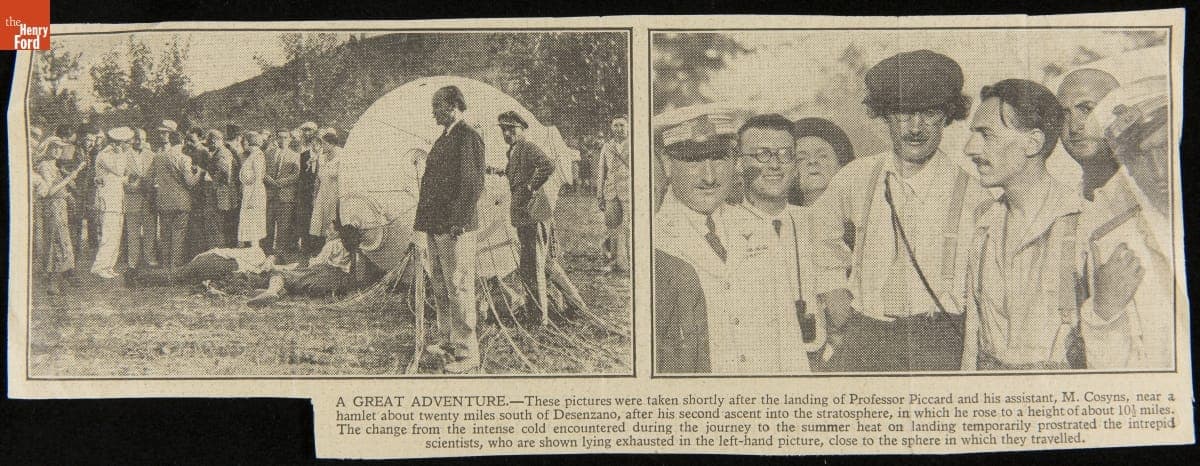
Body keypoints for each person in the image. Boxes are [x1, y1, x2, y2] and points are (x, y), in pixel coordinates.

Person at [809, 50, 992, 372]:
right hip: (866, 333)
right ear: (885, 115)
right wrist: (833, 289)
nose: (916, 128)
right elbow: (818, 231)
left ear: (947, 116)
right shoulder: (857, 176)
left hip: (938, 340)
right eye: (903, 113)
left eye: (930, 113)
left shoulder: (974, 195)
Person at [959, 79, 1083, 370]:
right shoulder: (983, 225)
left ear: (1033, 143)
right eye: (973, 134)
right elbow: (971, 346)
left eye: (986, 135)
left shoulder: (1081, 222)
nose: (969, 148)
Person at [1080, 74, 1174, 369]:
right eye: (1141, 157)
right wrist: (1105, 312)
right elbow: (1112, 371)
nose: (1159, 171)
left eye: (1167, 149)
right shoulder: (1116, 245)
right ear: (1128, 167)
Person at [653, 109, 755, 373]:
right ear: (666, 163)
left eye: (719, 158)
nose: (709, 177)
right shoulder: (653, 239)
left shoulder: (757, 226)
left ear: (735, 161)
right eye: (693, 160)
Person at [731, 114, 826, 373]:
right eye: (762, 155)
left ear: (794, 164)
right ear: (739, 163)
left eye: (784, 155)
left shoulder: (817, 222)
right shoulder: (724, 228)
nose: (774, 165)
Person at [413, 85, 486, 374]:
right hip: (436, 225)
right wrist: (423, 225)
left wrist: (459, 221)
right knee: (441, 285)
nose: (433, 112)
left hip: (456, 228)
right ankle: (448, 341)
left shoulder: (468, 137)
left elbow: (472, 184)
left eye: (437, 106)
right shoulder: (443, 139)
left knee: (459, 286)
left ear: (454, 106)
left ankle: (467, 353)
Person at [498, 111, 556, 323]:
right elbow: (516, 174)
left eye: (511, 129)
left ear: (522, 129)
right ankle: (536, 313)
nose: (507, 133)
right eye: (504, 130)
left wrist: (531, 187)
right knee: (528, 267)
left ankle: (539, 319)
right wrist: (498, 171)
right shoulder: (513, 151)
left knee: (533, 267)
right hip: (524, 216)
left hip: (533, 214)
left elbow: (548, 165)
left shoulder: (528, 147)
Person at [791, 117, 857, 249]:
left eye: (822, 156)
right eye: (801, 158)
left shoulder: (860, 222)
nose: (812, 161)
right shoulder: (785, 226)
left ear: (841, 165)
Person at [1057, 69, 1121, 201]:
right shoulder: (1066, 203)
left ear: (1118, 113)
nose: (1073, 128)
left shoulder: (1150, 191)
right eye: (1064, 115)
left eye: (1086, 109)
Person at [36, 136, 88, 294]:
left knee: (63, 240)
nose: (58, 150)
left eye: (60, 148)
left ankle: (63, 276)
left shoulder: (54, 166)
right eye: (55, 147)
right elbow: (50, 191)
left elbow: (62, 189)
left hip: (60, 207)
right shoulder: (44, 166)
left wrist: (68, 193)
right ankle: (52, 283)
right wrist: (70, 177)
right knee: (55, 241)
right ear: (48, 149)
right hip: (52, 208)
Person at [150, 123, 202, 274]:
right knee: (178, 235)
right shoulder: (184, 158)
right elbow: (190, 182)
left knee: (165, 235)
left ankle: (165, 266)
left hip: (163, 201)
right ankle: (175, 268)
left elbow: (149, 178)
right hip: (181, 202)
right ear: (183, 142)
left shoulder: (158, 157)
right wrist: (199, 173)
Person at [90, 127, 133, 279]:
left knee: (115, 236)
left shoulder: (115, 154)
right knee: (108, 236)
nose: (128, 145)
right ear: (118, 143)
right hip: (108, 203)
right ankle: (99, 267)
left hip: (116, 202)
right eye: (126, 143)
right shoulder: (105, 155)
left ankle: (109, 266)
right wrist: (120, 153)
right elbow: (119, 171)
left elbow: (120, 176)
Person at [597, 116, 631, 274]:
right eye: (615, 125)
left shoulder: (635, 144)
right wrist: (600, 195)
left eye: (622, 125)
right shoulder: (607, 147)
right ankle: (614, 262)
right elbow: (601, 172)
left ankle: (632, 261)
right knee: (612, 227)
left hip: (629, 192)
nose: (619, 129)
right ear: (611, 127)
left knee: (629, 227)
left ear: (628, 126)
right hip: (611, 192)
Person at [123, 127, 158, 272]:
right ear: (132, 139)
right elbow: (121, 177)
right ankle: (133, 262)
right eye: (137, 139)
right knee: (133, 233)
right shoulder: (124, 155)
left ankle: (150, 259)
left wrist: (152, 187)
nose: (139, 142)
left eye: (143, 139)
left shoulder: (152, 155)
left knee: (150, 231)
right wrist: (131, 185)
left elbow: (156, 176)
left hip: (148, 199)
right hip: (132, 198)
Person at [263, 130, 301, 262]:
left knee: (283, 226)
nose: (283, 140)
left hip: (286, 196)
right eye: (280, 137)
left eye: (285, 138)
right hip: (270, 195)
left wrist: (282, 182)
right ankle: (266, 252)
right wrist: (269, 180)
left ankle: (280, 253)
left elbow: (297, 175)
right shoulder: (268, 154)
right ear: (276, 138)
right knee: (268, 224)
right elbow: (262, 170)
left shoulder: (295, 155)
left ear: (290, 139)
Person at [207, 129, 239, 247]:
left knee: (221, 223)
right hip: (224, 193)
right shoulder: (221, 152)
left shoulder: (223, 153)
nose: (209, 145)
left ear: (216, 140)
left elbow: (226, 174)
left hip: (223, 194)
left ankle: (223, 248)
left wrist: (212, 183)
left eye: (210, 142)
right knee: (223, 223)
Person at [309, 128, 342, 242]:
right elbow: (318, 179)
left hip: (335, 194)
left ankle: (334, 246)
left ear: (332, 144)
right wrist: (315, 196)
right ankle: (321, 247)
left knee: (332, 220)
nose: (322, 146)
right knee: (319, 222)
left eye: (324, 144)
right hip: (322, 193)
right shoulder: (322, 157)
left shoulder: (341, 156)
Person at [295, 121, 321, 260]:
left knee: (318, 218)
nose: (315, 146)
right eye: (305, 130)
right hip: (305, 192)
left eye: (309, 130)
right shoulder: (304, 155)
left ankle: (318, 247)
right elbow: (301, 175)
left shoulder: (324, 156)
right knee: (305, 218)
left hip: (320, 191)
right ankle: (306, 246)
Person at [237, 131, 268, 249]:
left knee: (253, 223)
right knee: (248, 222)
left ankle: (255, 250)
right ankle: (249, 249)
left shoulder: (258, 155)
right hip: (249, 191)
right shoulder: (252, 155)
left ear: (249, 141)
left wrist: (253, 198)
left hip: (255, 192)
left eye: (244, 141)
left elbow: (259, 178)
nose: (243, 143)